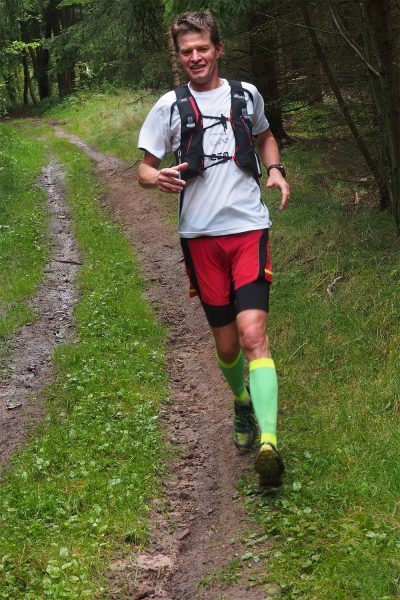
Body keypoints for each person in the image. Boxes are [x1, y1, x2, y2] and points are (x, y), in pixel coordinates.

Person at [137, 11, 290, 490]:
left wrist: (275, 169)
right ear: (179, 57)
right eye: (187, 52)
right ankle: (242, 399)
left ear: (218, 49)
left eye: (202, 48)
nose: (196, 58)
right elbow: (144, 165)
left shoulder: (245, 95)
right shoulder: (169, 105)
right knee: (226, 346)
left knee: (252, 335)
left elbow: (264, 135)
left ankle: (269, 443)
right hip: (199, 236)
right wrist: (155, 176)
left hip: (248, 229)